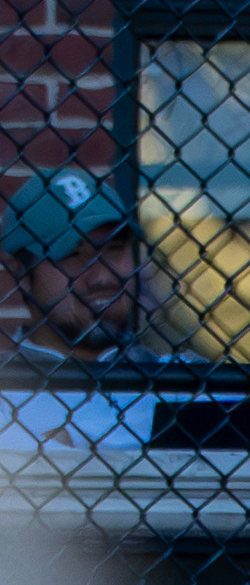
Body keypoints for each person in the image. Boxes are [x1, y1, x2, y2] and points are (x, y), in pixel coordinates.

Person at [0, 168, 199, 449]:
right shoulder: (5, 397)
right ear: (22, 275)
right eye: (72, 255)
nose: (103, 277)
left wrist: (78, 438)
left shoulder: (186, 380)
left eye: (114, 249)